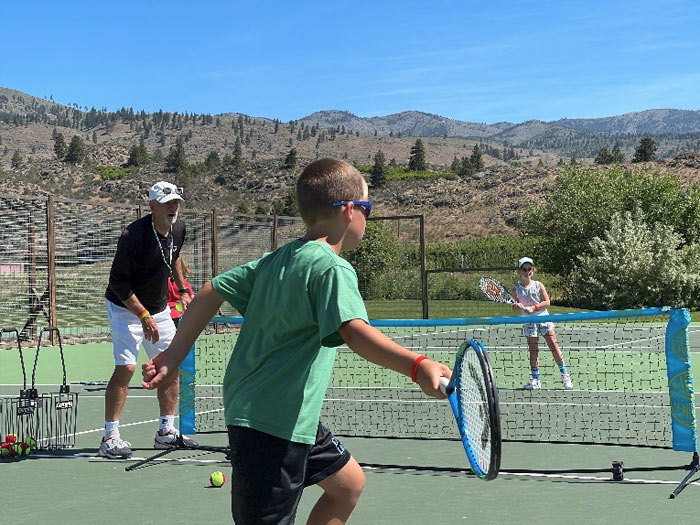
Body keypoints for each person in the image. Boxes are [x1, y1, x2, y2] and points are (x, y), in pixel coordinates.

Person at [141, 158, 451, 524]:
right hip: (270, 424)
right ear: (349, 211)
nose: (367, 217)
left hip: (286, 414)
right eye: (367, 208)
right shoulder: (332, 268)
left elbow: (209, 292)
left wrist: (172, 356)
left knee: (348, 484)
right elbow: (354, 332)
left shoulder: (277, 260)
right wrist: (417, 366)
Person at [100, 181, 195, 459]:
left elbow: (174, 257)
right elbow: (118, 283)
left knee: (169, 364)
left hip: (159, 308)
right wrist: (142, 316)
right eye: (167, 203)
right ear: (152, 206)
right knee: (127, 368)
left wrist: (184, 290)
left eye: (176, 201)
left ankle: (166, 433)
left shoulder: (178, 228)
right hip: (124, 308)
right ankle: (110, 437)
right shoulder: (133, 236)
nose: (173, 206)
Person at [512, 257, 573, 391]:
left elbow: (547, 302)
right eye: (524, 269)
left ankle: (565, 375)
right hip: (528, 322)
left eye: (529, 269)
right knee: (533, 350)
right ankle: (535, 380)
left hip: (543, 318)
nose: (527, 272)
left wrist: (533, 307)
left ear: (533, 270)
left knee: (553, 346)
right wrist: (518, 305)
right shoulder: (516, 289)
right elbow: (514, 306)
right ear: (519, 272)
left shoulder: (538, 285)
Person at [167, 258, 194, 327]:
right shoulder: (184, 283)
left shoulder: (166, 282)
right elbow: (192, 297)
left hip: (167, 313)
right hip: (180, 313)